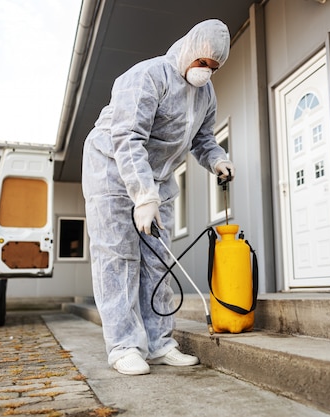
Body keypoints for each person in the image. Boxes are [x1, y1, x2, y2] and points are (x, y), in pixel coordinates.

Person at [81, 19, 235, 376]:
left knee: (158, 260)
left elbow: (203, 139)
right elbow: (128, 137)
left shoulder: (205, 95)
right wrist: (142, 195)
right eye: (202, 63)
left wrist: (218, 159)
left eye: (213, 67)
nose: (205, 72)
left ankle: (159, 342)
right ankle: (123, 346)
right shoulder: (148, 76)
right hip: (113, 171)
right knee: (118, 255)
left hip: (159, 177)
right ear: (188, 50)